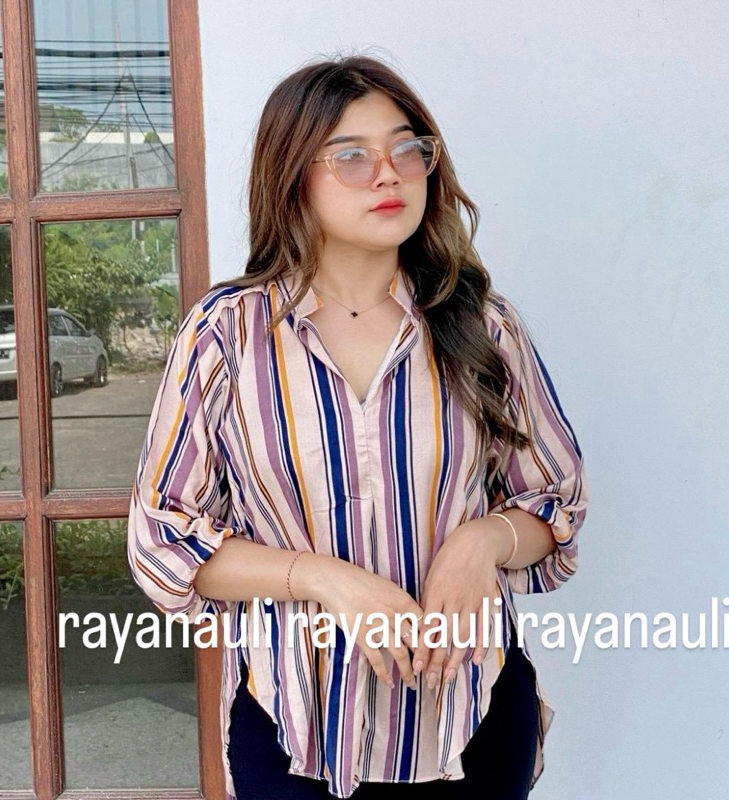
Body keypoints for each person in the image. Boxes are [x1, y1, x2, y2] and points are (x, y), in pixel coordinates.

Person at [126, 53, 589, 800]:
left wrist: (482, 542)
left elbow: (554, 505)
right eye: (351, 156)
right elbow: (162, 538)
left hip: (470, 715)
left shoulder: (484, 327)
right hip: (295, 723)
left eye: (408, 150)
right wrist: (323, 579)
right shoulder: (226, 336)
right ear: (293, 177)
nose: (388, 174)